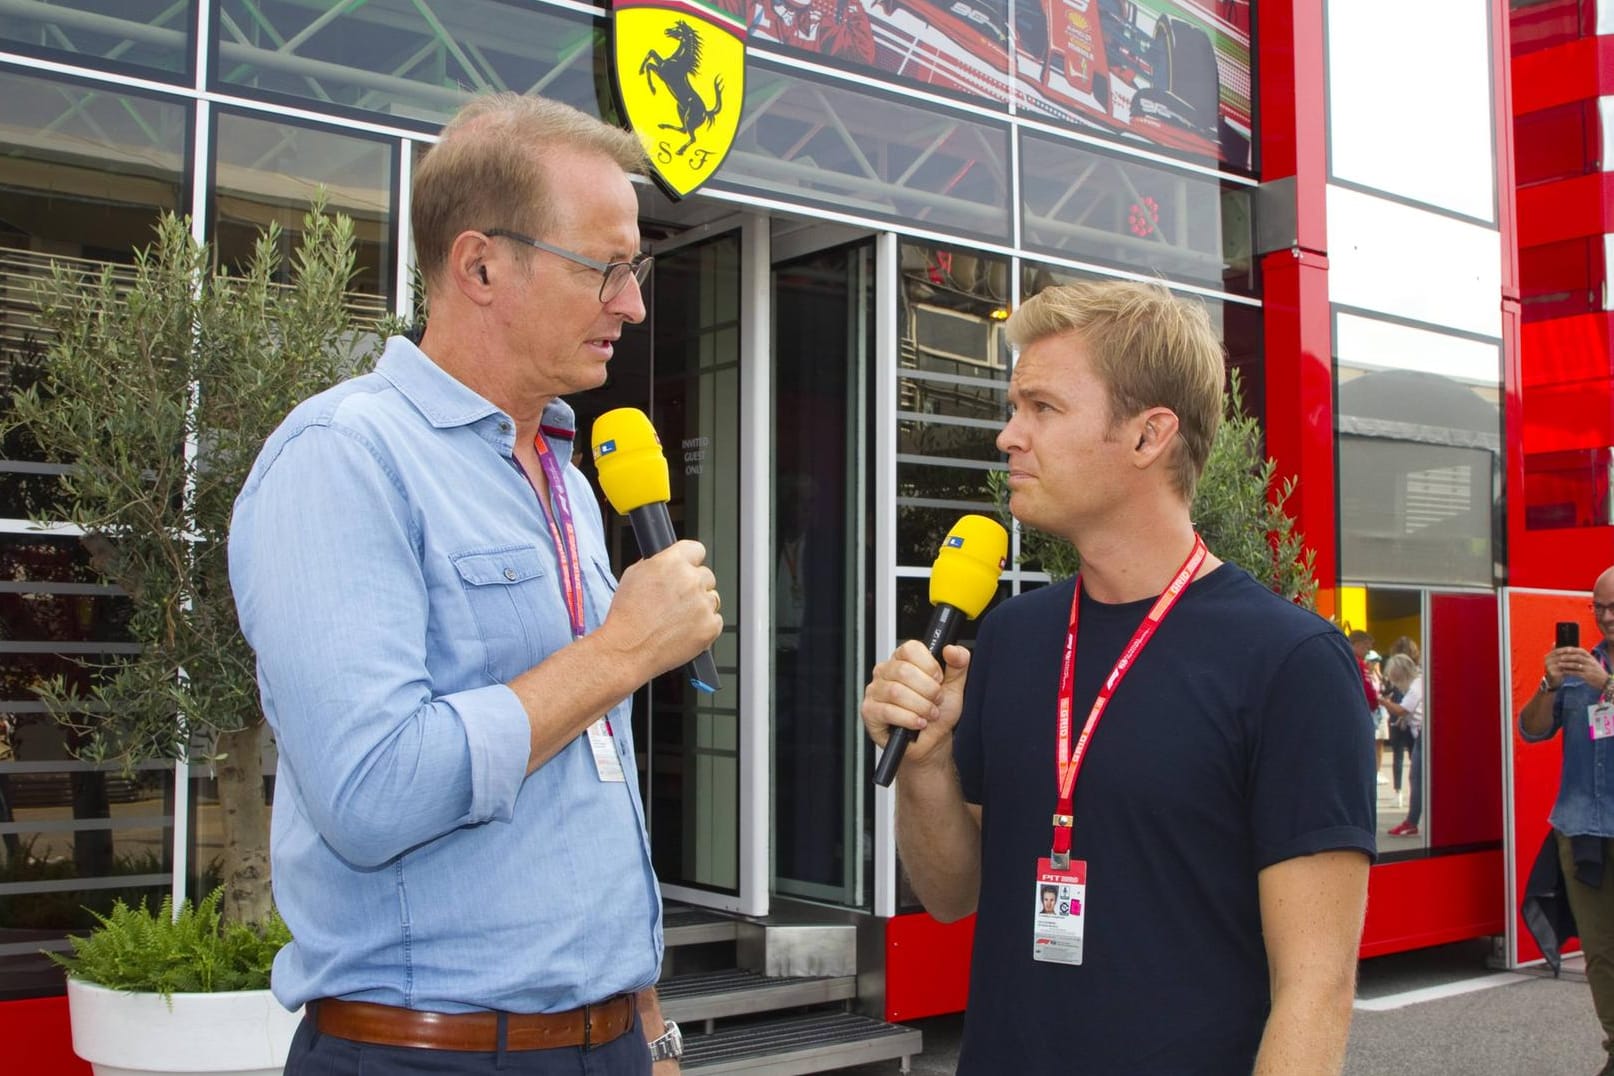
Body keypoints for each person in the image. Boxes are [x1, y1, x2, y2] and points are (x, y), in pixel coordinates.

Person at [229, 93, 723, 1074]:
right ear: (481, 265)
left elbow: (593, 776)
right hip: (429, 1052)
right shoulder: (344, 458)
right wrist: (621, 652)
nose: (632, 302)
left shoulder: (569, 483)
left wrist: (647, 1026)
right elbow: (371, 790)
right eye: (607, 267)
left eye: (638, 268)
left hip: (608, 1039)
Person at [860, 280, 1376, 1074]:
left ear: (1148, 436)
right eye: (1013, 407)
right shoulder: (1010, 637)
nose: (1007, 436)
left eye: (1042, 408)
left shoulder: (1289, 663)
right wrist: (925, 764)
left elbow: (1316, 987)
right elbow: (953, 894)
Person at [1518, 566, 1614, 1076]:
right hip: (1581, 831)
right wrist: (1548, 684)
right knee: (1600, 954)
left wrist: (1609, 684)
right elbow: (1531, 730)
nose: (1605, 616)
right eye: (1598, 607)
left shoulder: (1599, 673)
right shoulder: (1580, 667)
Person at [1382, 655, 1425, 838]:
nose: (1396, 684)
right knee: (1417, 778)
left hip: (1423, 735)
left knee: (1416, 778)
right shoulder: (1419, 682)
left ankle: (1411, 822)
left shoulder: (1415, 687)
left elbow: (1402, 709)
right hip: (1421, 733)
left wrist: (1382, 701)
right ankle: (1412, 820)